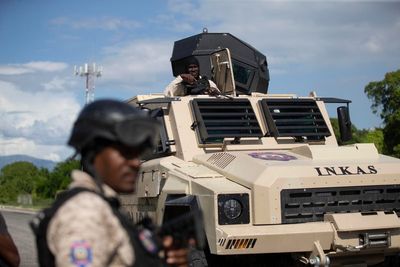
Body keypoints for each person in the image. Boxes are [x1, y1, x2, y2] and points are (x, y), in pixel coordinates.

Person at [32, 99, 191, 267]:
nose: (135, 163)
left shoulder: (102, 205)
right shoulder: (85, 212)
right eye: (125, 153)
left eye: (137, 154)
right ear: (94, 152)